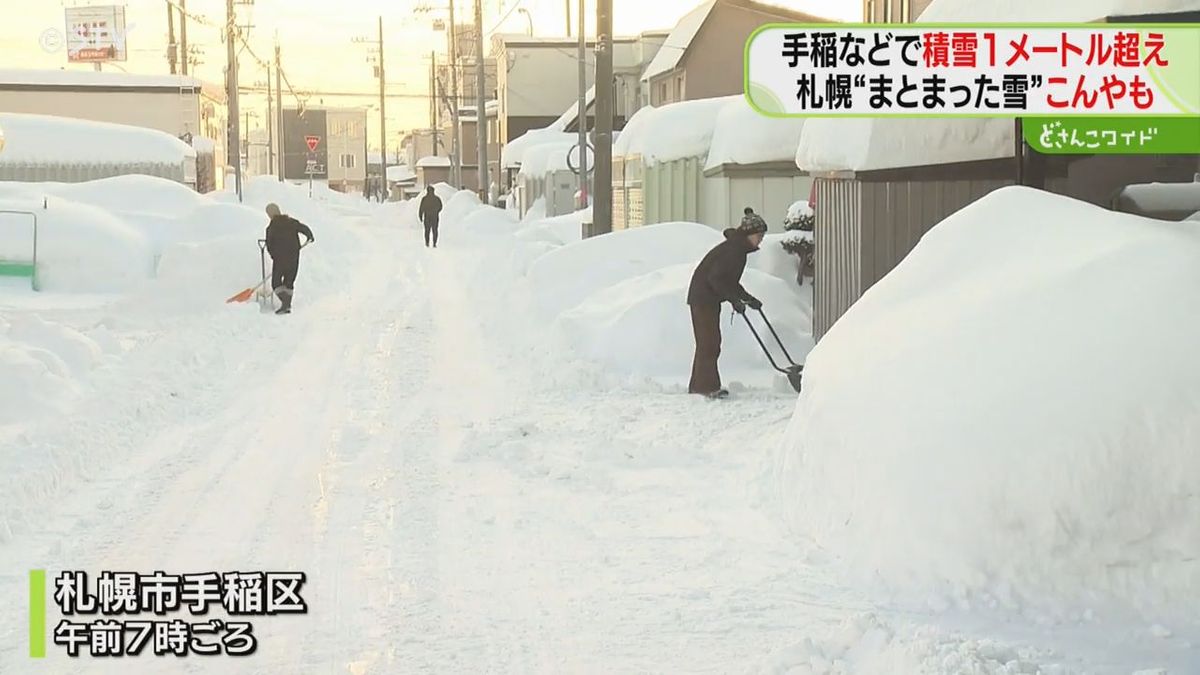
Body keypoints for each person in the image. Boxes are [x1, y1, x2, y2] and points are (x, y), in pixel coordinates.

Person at [685, 208, 768, 398]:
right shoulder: (735, 251)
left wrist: (747, 298)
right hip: (704, 298)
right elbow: (717, 279)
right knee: (709, 343)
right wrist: (734, 301)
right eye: (759, 235)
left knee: (709, 342)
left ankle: (700, 386)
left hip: (707, 297)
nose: (761, 239)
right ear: (749, 234)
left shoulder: (737, 249)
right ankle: (705, 387)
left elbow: (728, 281)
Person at [264, 203, 315, 315]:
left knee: (276, 283)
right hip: (293, 257)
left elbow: (269, 245)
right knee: (289, 281)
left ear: (270, 215)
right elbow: (304, 228)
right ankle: (287, 305)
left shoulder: (271, 228)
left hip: (280, 260)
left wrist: (273, 255)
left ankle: (285, 304)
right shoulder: (291, 222)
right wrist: (310, 236)